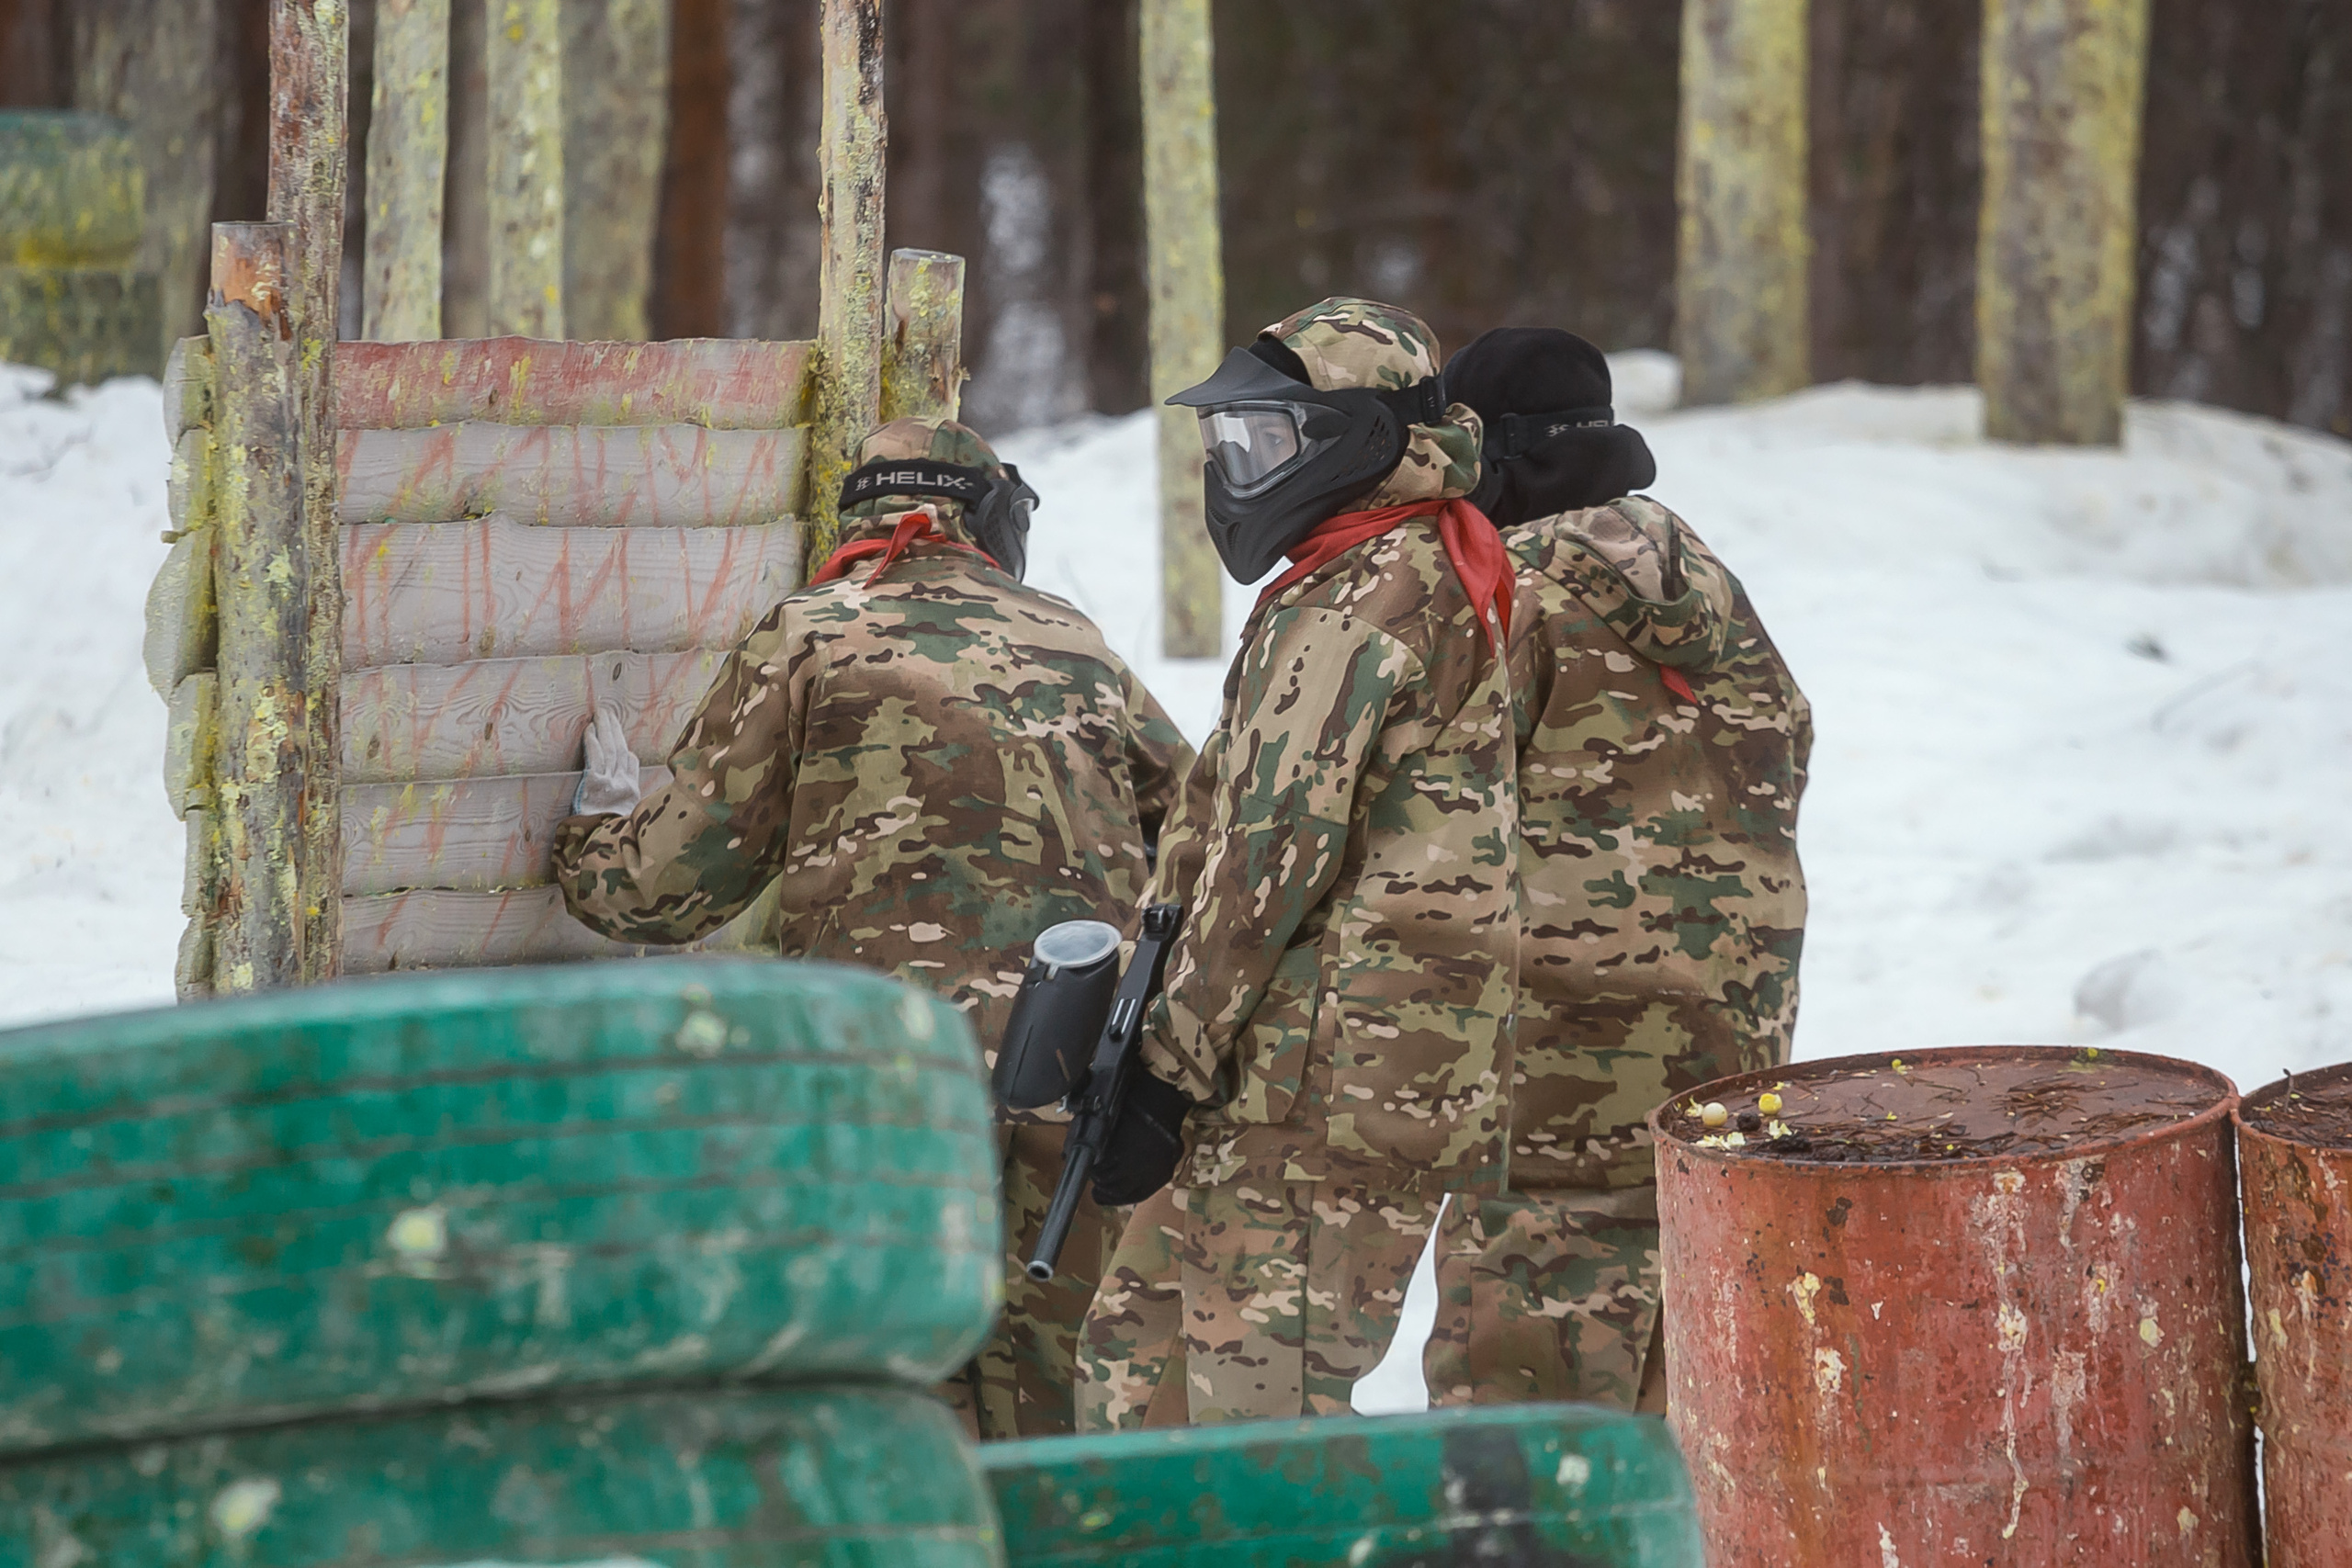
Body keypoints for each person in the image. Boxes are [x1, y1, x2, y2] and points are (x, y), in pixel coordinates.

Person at [549, 416, 1195, 1439]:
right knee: (1065, 1410)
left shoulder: (810, 635)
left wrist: (593, 835)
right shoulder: (1074, 639)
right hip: (1073, 1076)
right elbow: (1202, 839)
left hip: (882, 1088)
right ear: (990, 522)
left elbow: (663, 890)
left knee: (893, 1396)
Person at [1073, 298, 1519, 1428]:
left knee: (1258, 1431)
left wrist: (1162, 1067)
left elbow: (1266, 854)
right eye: (1231, 442)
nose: (1238, 469)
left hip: (1324, 1086)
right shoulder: (1362, 576)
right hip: (1284, 1070)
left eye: (1265, 441)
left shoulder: (1364, 600)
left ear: (1358, 441)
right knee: (1139, 1366)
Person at [1422, 327, 1811, 1411]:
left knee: (1522, 1378)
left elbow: (1428, 806)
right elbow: (1787, 746)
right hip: (1733, 1021)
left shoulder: (1507, 589)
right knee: (1686, 1345)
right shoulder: (1709, 580)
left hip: (1560, 1035)